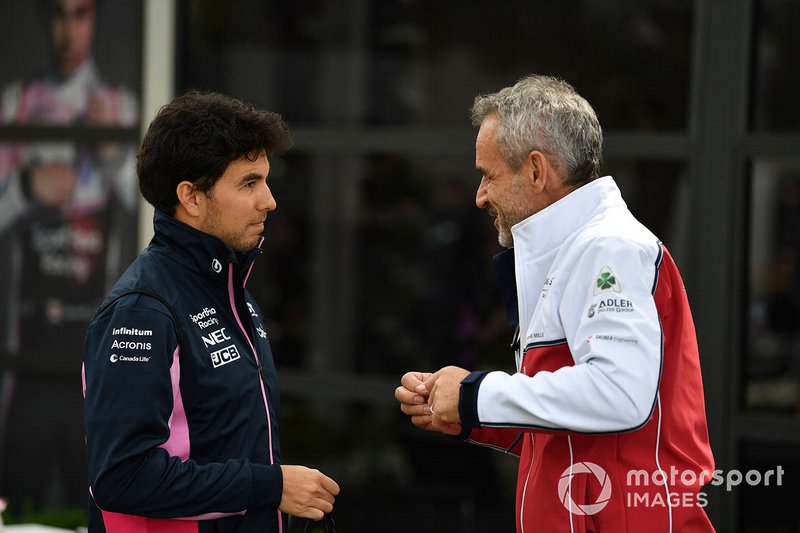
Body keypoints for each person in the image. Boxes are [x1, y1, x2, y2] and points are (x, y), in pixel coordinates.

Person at [395, 75, 715, 532]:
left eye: (488, 174)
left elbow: (618, 394)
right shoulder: (583, 246)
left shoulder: (608, 246)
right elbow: (572, 425)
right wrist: (470, 414)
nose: (480, 195)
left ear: (537, 170)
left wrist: (475, 395)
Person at [82, 91, 340, 532]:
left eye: (266, 180)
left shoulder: (230, 290)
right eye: (249, 183)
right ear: (192, 197)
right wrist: (271, 487)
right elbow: (121, 476)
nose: (270, 200)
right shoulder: (143, 310)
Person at [0, 0, 138, 517]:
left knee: (99, 511)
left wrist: (116, 156)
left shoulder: (121, 108)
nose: (68, 29)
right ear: (44, 20)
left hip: (96, 357)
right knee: (16, 511)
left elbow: (168, 212)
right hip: (27, 351)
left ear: (96, 19)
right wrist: (24, 187)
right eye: (58, 15)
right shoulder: (15, 105)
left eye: (80, 14)